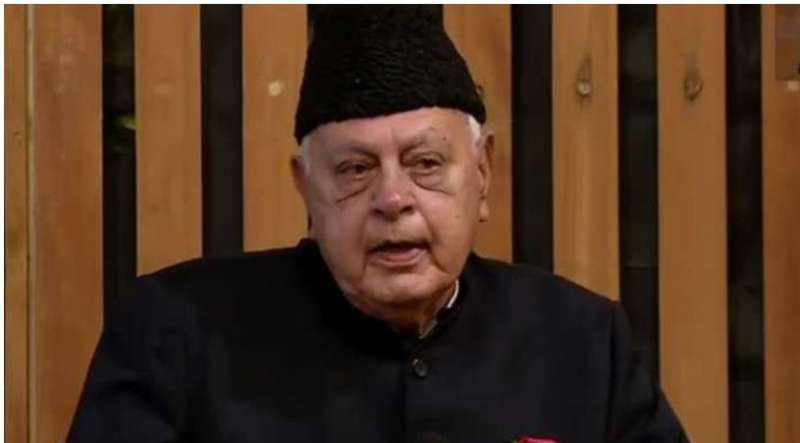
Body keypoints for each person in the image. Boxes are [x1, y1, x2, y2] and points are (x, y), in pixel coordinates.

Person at [67, 6, 689, 443]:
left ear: (482, 173)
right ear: (305, 187)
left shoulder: (584, 343)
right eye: (356, 169)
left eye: (425, 164)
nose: (393, 199)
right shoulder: (177, 333)